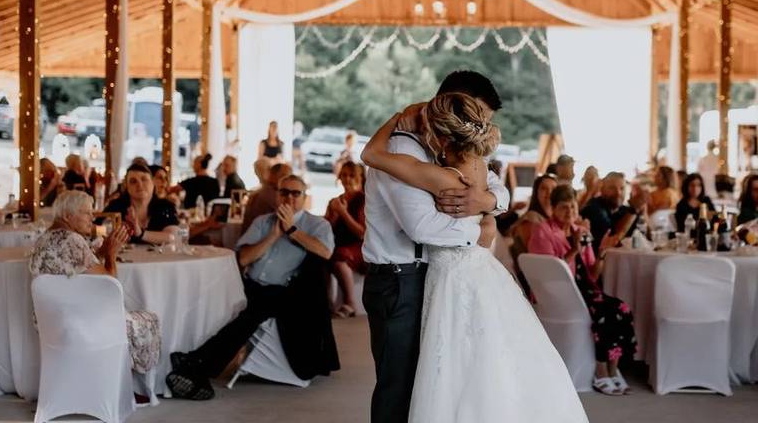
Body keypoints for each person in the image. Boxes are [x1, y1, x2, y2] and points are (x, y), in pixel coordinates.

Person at [363, 93, 589, 421]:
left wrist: (485, 217)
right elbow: (496, 197)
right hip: (473, 270)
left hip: (451, 274)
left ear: (440, 134)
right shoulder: (478, 168)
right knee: (478, 365)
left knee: (452, 371)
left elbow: (371, 155)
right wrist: (483, 225)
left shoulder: (442, 175)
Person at [360, 70, 514, 423]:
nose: (476, 127)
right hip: (399, 279)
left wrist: (488, 202)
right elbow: (422, 226)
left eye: (482, 122)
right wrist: (480, 234)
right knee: (397, 387)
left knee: (433, 384)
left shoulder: (454, 149)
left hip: (433, 277)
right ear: (451, 104)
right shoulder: (401, 147)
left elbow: (498, 189)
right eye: (475, 116)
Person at [166, 174, 338, 400]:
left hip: (290, 294)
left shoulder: (317, 225)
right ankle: (195, 361)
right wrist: (274, 235)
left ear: (304, 197)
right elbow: (244, 259)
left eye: (295, 193)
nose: (289, 197)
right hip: (251, 285)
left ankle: (197, 363)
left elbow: (325, 251)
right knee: (214, 298)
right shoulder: (262, 222)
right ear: (277, 195)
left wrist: (292, 230)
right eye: (284, 191)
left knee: (252, 312)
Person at [29, 192, 160, 398]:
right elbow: (109, 285)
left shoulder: (45, 238)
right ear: (68, 215)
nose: (92, 218)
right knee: (148, 319)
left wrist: (98, 253)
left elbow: (76, 269)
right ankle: (125, 389)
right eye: (86, 213)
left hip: (52, 321)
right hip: (85, 322)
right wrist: (111, 255)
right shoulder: (72, 240)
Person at [529, 184, 636, 396]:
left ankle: (614, 369)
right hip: (559, 294)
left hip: (584, 290)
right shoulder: (543, 232)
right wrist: (574, 250)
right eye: (563, 207)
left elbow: (592, 275)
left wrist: (603, 251)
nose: (569, 212)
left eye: (573, 206)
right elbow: (550, 274)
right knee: (603, 312)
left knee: (621, 308)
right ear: (553, 208)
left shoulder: (582, 232)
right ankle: (600, 369)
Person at [324, 161, 366, 318]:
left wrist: (343, 213)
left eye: (351, 175)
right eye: (344, 175)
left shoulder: (363, 200)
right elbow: (326, 230)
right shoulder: (335, 201)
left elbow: (362, 233)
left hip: (360, 246)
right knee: (320, 256)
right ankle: (326, 303)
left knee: (340, 256)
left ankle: (350, 302)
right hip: (338, 243)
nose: (347, 179)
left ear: (360, 178)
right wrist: (333, 216)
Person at [105, 164, 179, 245]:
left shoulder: (166, 206)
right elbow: (97, 227)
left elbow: (172, 236)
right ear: (127, 187)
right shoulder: (116, 205)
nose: (139, 185)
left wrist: (141, 233)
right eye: (133, 181)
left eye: (144, 179)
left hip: (159, 256)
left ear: (153, 183)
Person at [579, 172, 638, 255]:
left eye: (622, 188)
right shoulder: (593, 207)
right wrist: (634, 210)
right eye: (612, 188)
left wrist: (643, 211)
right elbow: (612, 238)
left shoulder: (625, 210)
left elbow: (645, 237)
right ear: (602, 189)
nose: (618, 193)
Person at [509, 173, 557, 260]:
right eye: (543, 188)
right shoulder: (530, 219)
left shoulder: (556, 219)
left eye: (554, 189)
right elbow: (535, 255)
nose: (549, 193)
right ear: (536, 192)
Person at [242, 162, 292, 233]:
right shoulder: (271, 194)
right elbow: (286, 220)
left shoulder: (267, 191)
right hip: (258, 239)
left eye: (290, 176)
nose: (288, 180)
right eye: (284, 176)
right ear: (273, 175)